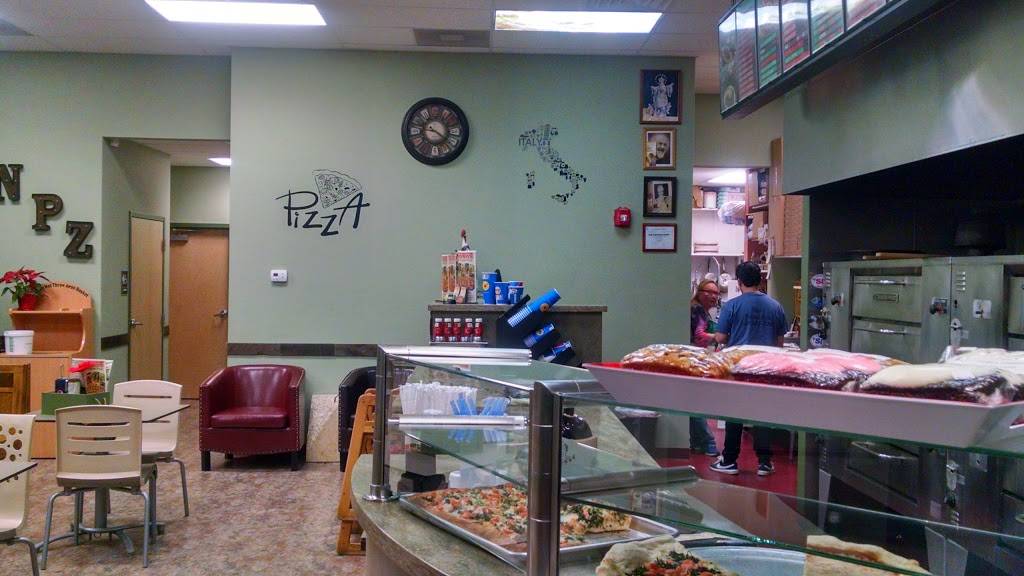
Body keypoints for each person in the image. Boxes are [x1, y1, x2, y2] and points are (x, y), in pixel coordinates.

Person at [710, 261, 787, 477]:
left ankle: (729, 461)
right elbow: (780, 343)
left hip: (739, 367)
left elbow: (721, 337)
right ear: (760, 280)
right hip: (764, 368)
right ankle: (764, 463)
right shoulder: (775, 306)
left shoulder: (732, 306)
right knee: (762, 414)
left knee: (734, 413)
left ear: (739, 282)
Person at [689, 279, 720, 456]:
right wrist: (718, 337)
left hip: (697, 359)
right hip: (694, 360)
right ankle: (708, 443)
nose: (713, 296)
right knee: (696, 403)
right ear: (699, 293)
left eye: (716, 293)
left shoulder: (701, 310)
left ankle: (697, 442)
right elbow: (699, 335)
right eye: (709, 292)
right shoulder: (698, 309)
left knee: (694, 402)